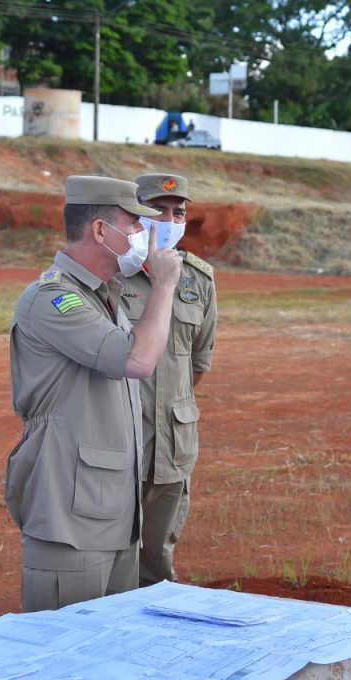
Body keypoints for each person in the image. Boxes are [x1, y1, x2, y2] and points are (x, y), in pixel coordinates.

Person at [6, 175, 182, 612]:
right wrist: (163, 285)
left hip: (111, 517)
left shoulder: (103, 297)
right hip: (71, 522)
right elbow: (137, 361)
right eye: (135, 225)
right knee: (62, 659)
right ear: (101, 231)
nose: (145, 234)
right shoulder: (54, 299)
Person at [123, 173, 217, 586]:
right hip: (118, 438)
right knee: (107, 555)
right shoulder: (109, 274)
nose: (168, 219)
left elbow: (197, 363)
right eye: (157, 209)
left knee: (157, 558)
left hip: (171, 441)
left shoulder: (199, 280)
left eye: (178, 212)